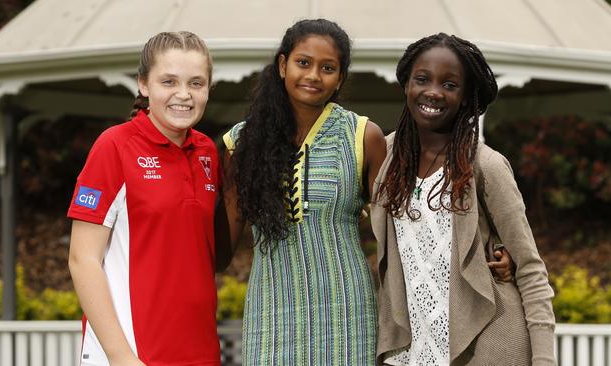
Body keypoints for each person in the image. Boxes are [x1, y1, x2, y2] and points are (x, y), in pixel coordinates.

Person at [215, 20, 514, 365]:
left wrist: (491, 248)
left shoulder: (362, 136)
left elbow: (412, 218)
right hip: (270, 311)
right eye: (303, 63)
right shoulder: (241, 142)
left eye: (328, 68)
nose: (313, 75)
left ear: (340, 78)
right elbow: (222, 250)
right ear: (282, 65)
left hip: (348, 311)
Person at [371, 33, 556, 365]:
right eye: (422, 79)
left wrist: (544, 360)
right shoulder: (382, 156)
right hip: (409, 351)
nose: (433, 92)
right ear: (406, 85)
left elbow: (530, 268)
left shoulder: (486, 166)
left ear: (466, 97)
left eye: (450, 84)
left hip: (485, 344)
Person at [67, 32, 221, 366]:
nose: (184, 94)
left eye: (196, 83)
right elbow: (82, 259)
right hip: (132, 355)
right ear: (143, 85)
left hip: (200, 352)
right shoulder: (115, 147)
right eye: (168, 81)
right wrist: (121, 357)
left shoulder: (208, 151)